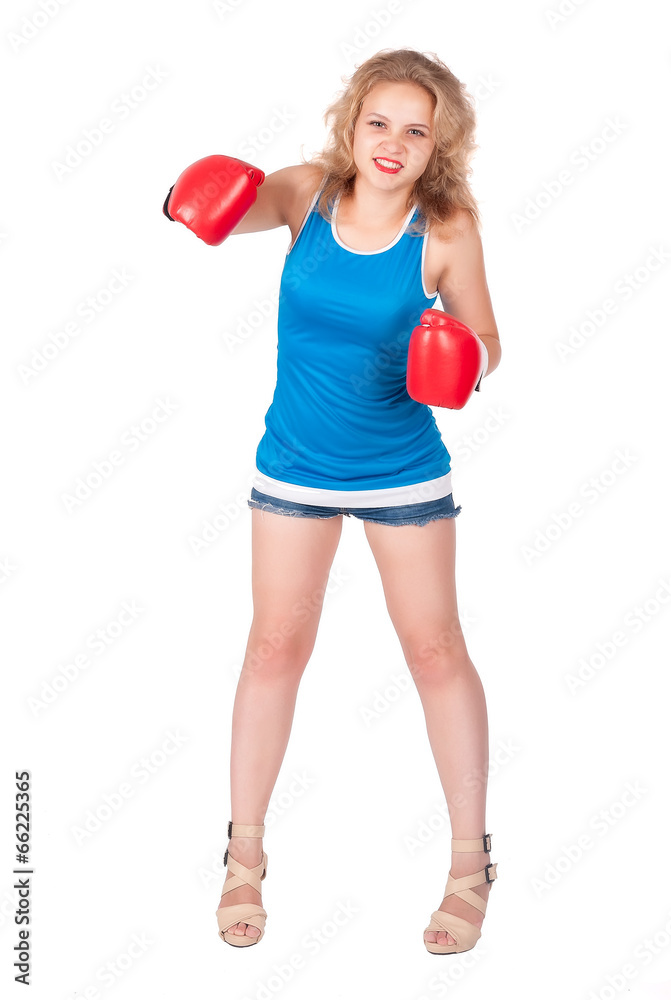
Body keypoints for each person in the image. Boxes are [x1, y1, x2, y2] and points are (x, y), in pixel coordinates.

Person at [164, 47, 502, 955]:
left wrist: (463, 356)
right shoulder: (305, 193)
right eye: (378, 121)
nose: (392, 142)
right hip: (295, 466)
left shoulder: (445, 229)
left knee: (435, 651)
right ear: (351, 123)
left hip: (401, 470)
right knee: (273, 647)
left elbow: (487, 337)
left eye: (415, 130)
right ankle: (243, 857)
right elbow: (236, 210)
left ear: (439, 144)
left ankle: (469, 864)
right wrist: (192, 195)